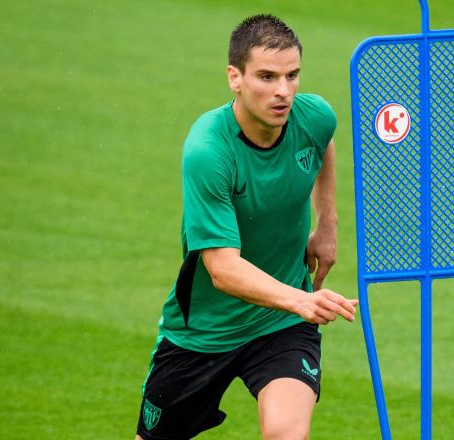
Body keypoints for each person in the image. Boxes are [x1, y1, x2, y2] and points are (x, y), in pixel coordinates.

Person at [135, 14, 358, 440]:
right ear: (234, 78)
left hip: (281, 324)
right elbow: (222, 269)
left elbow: (323, 139)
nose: (284, 91)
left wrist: (327, 224)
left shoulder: (313, 116)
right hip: (203, 332)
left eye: (293, 76)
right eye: (267, 76)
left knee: (285, 435)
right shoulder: (209, 150)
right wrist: (303, 301)